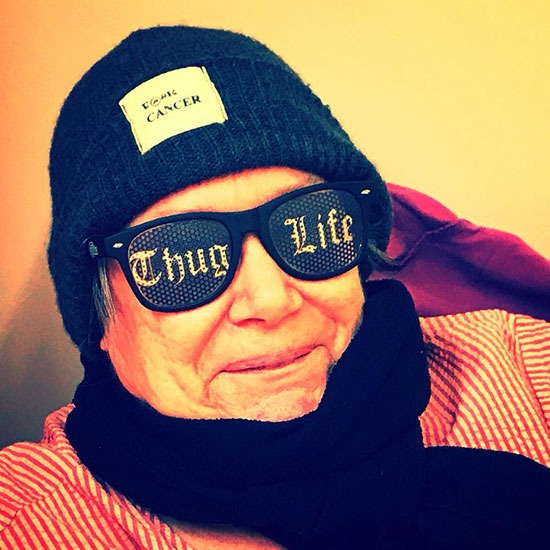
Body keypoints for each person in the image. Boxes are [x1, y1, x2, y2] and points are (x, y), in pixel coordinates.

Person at [1, 25, 549, 550]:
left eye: (309, 227)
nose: (271, 301)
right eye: (181, 259)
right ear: (100, 318)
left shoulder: (517, 363)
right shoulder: (25, 518)